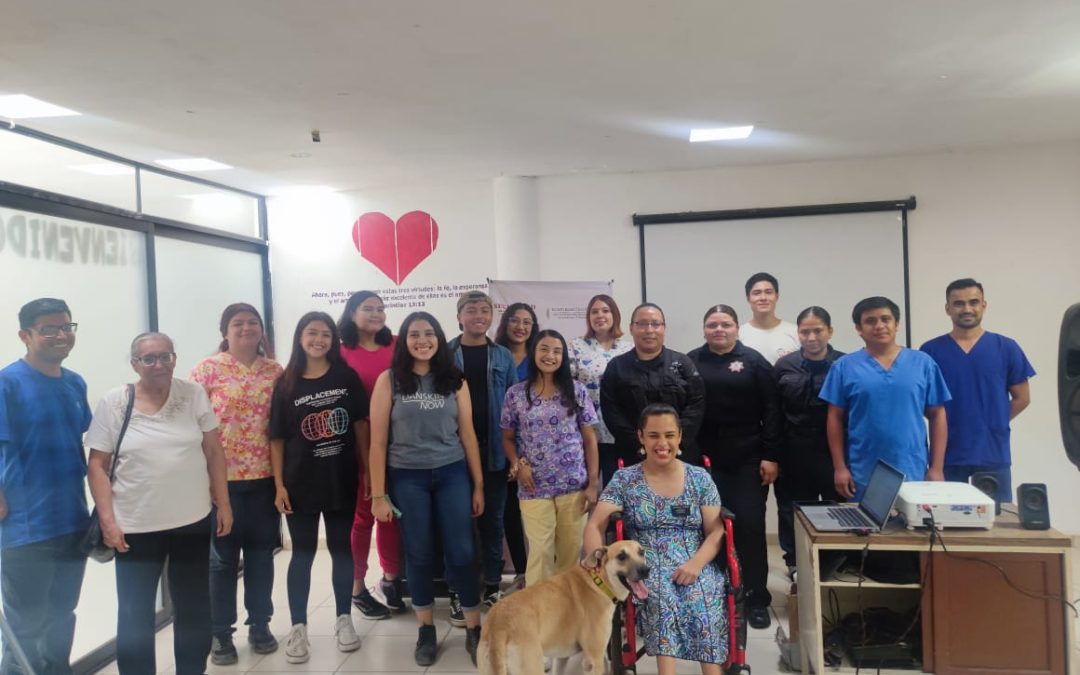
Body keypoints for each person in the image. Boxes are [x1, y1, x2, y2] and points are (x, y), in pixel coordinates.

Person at [86, 332, 233, 675]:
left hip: (192, 521)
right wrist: (108, 521)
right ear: (134, 364)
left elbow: (213, 450)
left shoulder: (192, 394)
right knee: (135, 614)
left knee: (194, 607)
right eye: (149, 358)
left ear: (174, 359)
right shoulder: (115, 401)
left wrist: (223, 503)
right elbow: (97, 466)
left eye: (165, 356)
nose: (159, 364)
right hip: (134, 528)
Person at [368, 312, 485, 666]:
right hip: (407, 477)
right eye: (414, 334)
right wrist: (378, 495)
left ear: (438, 338)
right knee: (417, 553)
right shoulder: (389, 380)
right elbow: (377, 442)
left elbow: (468, 434)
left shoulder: (454, 379)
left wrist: (478, 485)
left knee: (462, 552)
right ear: (404, 340)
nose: (422, 340)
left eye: (429, 333)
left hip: (452, 473)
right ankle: (426, 630)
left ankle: (474, 628)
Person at [583, 404, 728, 675]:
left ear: (680, 436)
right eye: (653, 435)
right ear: (641, 437)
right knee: (662, 600)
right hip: (645, 563)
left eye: (670, 435)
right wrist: (597, 564)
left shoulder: (699, 478)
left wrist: (696, 564)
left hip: (695, 558)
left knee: (702, 599)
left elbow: (716, 531)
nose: (662, 443)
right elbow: (595, 524)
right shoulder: (625, 479)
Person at [0, 298, 92, 675]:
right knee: (25, 628)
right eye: (49, 329)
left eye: (66, 327)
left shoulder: (74, 383)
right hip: (25, 529)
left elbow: (83, 440)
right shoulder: (7, 383)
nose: (61, 335)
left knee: (62, 617)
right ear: (25, 335)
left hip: (72, 522)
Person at [269, 312, 366, 663]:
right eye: (312, 333)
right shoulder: (286, 383)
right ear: (300, 337)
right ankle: (298, 628)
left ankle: (344, 619)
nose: (319, 340)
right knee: (303, 554)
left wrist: (368, 472)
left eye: (326, 334)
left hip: (341, 478)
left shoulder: (346, 377)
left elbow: (361, 426)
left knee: (342, 549)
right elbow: (277, 439)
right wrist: (279, 485)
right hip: (299, 483)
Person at [190, 303, 283, 664]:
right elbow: (191, 426)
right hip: (220, 482)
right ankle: (220, 634)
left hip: (264, 480)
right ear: (225, 331)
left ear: (261, 330)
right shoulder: (207, 370)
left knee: (261, 556)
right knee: (222, 561)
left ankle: (260, 625)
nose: (246, 328)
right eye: (238, 323)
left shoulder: (275, 371)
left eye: (252, 322)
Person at [687, 305, 780, 630]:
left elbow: (772, 409)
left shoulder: (754, 362)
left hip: (747, 460)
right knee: (706, 529)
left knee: (749, 527)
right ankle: (711, 594)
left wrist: (770, 455)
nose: (719, 329)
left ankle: (756, 598)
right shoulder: (691, 361)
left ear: (736, 328)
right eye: (712, 324)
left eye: (725, 324)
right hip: (702, 461)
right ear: (704, 329)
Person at [820, 297, 951, 500]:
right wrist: (840, 467)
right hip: (863, 470)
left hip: (912, 468)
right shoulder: (844, 366)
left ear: (896, 324)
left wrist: (936, 467)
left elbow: (937, 414)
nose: (879, 326)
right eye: (870, 321)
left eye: (885, 319)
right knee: (865, 520)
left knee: (913, 519)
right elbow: (834, 417)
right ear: (858, 328)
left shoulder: (923, 364)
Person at [920, 279, 1035, 503]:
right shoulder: (930, 351)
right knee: (948, 518)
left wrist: (993, 421)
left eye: (973, 302)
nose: (967, 309)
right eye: (958, 303)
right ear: (947, 308)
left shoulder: (1006, 347)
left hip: (992, 454)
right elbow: (925, 403)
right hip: (947, 456)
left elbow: (1022, 398)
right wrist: (945, 424)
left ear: (984, 305)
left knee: (996, 517)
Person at [500, 329, 599, 587]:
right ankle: (538, 609)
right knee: (541, 552)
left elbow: (590, 439)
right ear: (533, 352)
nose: (550, 356)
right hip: (533, 485)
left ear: (563, 357)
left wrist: (592, 484)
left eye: (557, 351)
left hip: (573, 485)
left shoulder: (576, 391)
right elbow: (507, 438)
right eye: (544, 349)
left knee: (569, 555)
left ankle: (564, 608)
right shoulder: (516, 394)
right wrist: (517, 464)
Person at [447, 291, 517, 617]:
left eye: (485, 310)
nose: (478, 315)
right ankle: (458, 590)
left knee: (493, 522)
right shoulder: (445, 354)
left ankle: (491, 586)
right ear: (459, 317)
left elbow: (514, 405)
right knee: (456, 525)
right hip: (451, 452)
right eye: (471, 310)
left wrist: (515, 454)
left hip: (495, 453)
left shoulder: (502, 355)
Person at [337, 291, 404, 619]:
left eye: (380, 308)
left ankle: (391, 580)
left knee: (392, 512)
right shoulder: (340, 352)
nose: (376, 313)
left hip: (401, 442)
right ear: (352, 313)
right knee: (363, 515)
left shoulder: (398, 344)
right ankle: (356, 588)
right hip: (359, 444)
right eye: (368, 308)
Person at [773, 307, 845, 576]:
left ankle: (837, 561)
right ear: (798, 334)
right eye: (805, 332)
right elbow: (773, 413)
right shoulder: (784, 366)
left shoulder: (845, 364)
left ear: (830, 332)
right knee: (792, 511)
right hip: (793, 451)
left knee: (837, 509)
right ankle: (796, 563)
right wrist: (773, 455)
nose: (811, 337)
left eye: (818, 330)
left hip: (834, 453)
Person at [600, 303, 705, 469]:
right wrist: (640, 445)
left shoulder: (683, 363)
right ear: (631, 328)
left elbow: (696, 405)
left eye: (656, 324)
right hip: (634, 456)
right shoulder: (616, 367)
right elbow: (612, 412)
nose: (649, 330)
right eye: (642, 324)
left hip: (680, 454)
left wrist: (675, 442)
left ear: (664, 328)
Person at [493, 302, 540, 588]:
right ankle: (521, 572)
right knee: (508, 512)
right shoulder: (494, 355)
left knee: (537, 514)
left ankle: (539, 572)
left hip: (535, 447)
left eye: (527, 322)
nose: (520, 326)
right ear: (505, 323)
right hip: (501, 442)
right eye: (514, 320)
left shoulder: (539, 358)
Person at [569, 294, 633, 485]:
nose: (600, 315)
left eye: (605, 311)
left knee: (616, 488)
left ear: (615, 315)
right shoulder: (575, 346)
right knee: (587, 488)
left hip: (620, 431)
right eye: (594, 312)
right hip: (587, 431)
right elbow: (567, 387)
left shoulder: (629, 348)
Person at [738, 272, 799, 366]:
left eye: (768, 292)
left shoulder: (795, 332)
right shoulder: (738, 335)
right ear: (748, 298)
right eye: (757, 293)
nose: (763, 298)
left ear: (777, 297)